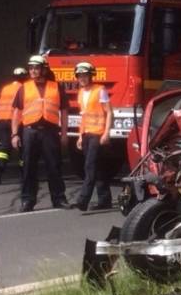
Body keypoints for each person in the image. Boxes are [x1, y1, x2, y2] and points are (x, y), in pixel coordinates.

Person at [11, 55, 68, 212]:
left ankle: (59, 198)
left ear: (44, 69)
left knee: (54, 166)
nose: (33, 71)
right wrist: (15, 134)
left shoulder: (56, 87)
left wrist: (64, 133)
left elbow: (64, 112)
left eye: (36, 68)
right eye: (31, 68)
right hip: (30, 132)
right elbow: (16, 113)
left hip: (50, 131)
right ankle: (27, 200)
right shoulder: (24, 88)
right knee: (28, 167)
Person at [72, 61, 114, 211]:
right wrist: (79, 136)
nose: (82, 78)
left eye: (85, 75)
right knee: (98, 167)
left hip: (98, 133)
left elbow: (109, 112)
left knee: (89, 166)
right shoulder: (81, 92)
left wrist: (106, 133)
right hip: (86, 134)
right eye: (80, 75)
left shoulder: (99, 90)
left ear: (91, 76)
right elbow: (83, 116)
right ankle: (105, 200)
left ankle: (83, 200)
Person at [0, 67, 26, 184]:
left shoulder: (5, 88)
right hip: (17, 121)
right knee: (24, 148)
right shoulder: (24, 89)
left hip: (3, 120)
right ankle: (24, 174)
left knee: (3, 147)